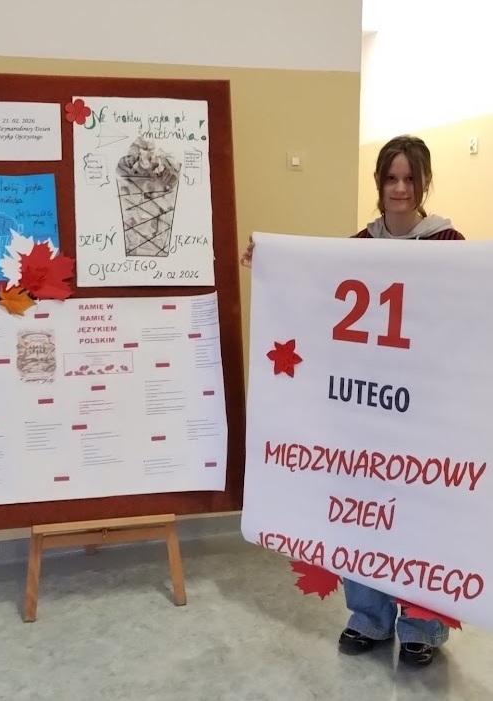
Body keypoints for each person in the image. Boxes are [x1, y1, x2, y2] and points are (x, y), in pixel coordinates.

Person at [240, 135, 465, 667]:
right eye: (391, 178)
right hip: (366, 409)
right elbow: (318, 294)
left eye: (410, 178)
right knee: (363, 513)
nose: (401, 189)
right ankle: (369, 616)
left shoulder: (450, 243)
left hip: (425, 409)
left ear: (424, 183)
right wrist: (272, 264)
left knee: (420, 515)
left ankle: (421, 625)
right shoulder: (358, 246)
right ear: (379, 183)